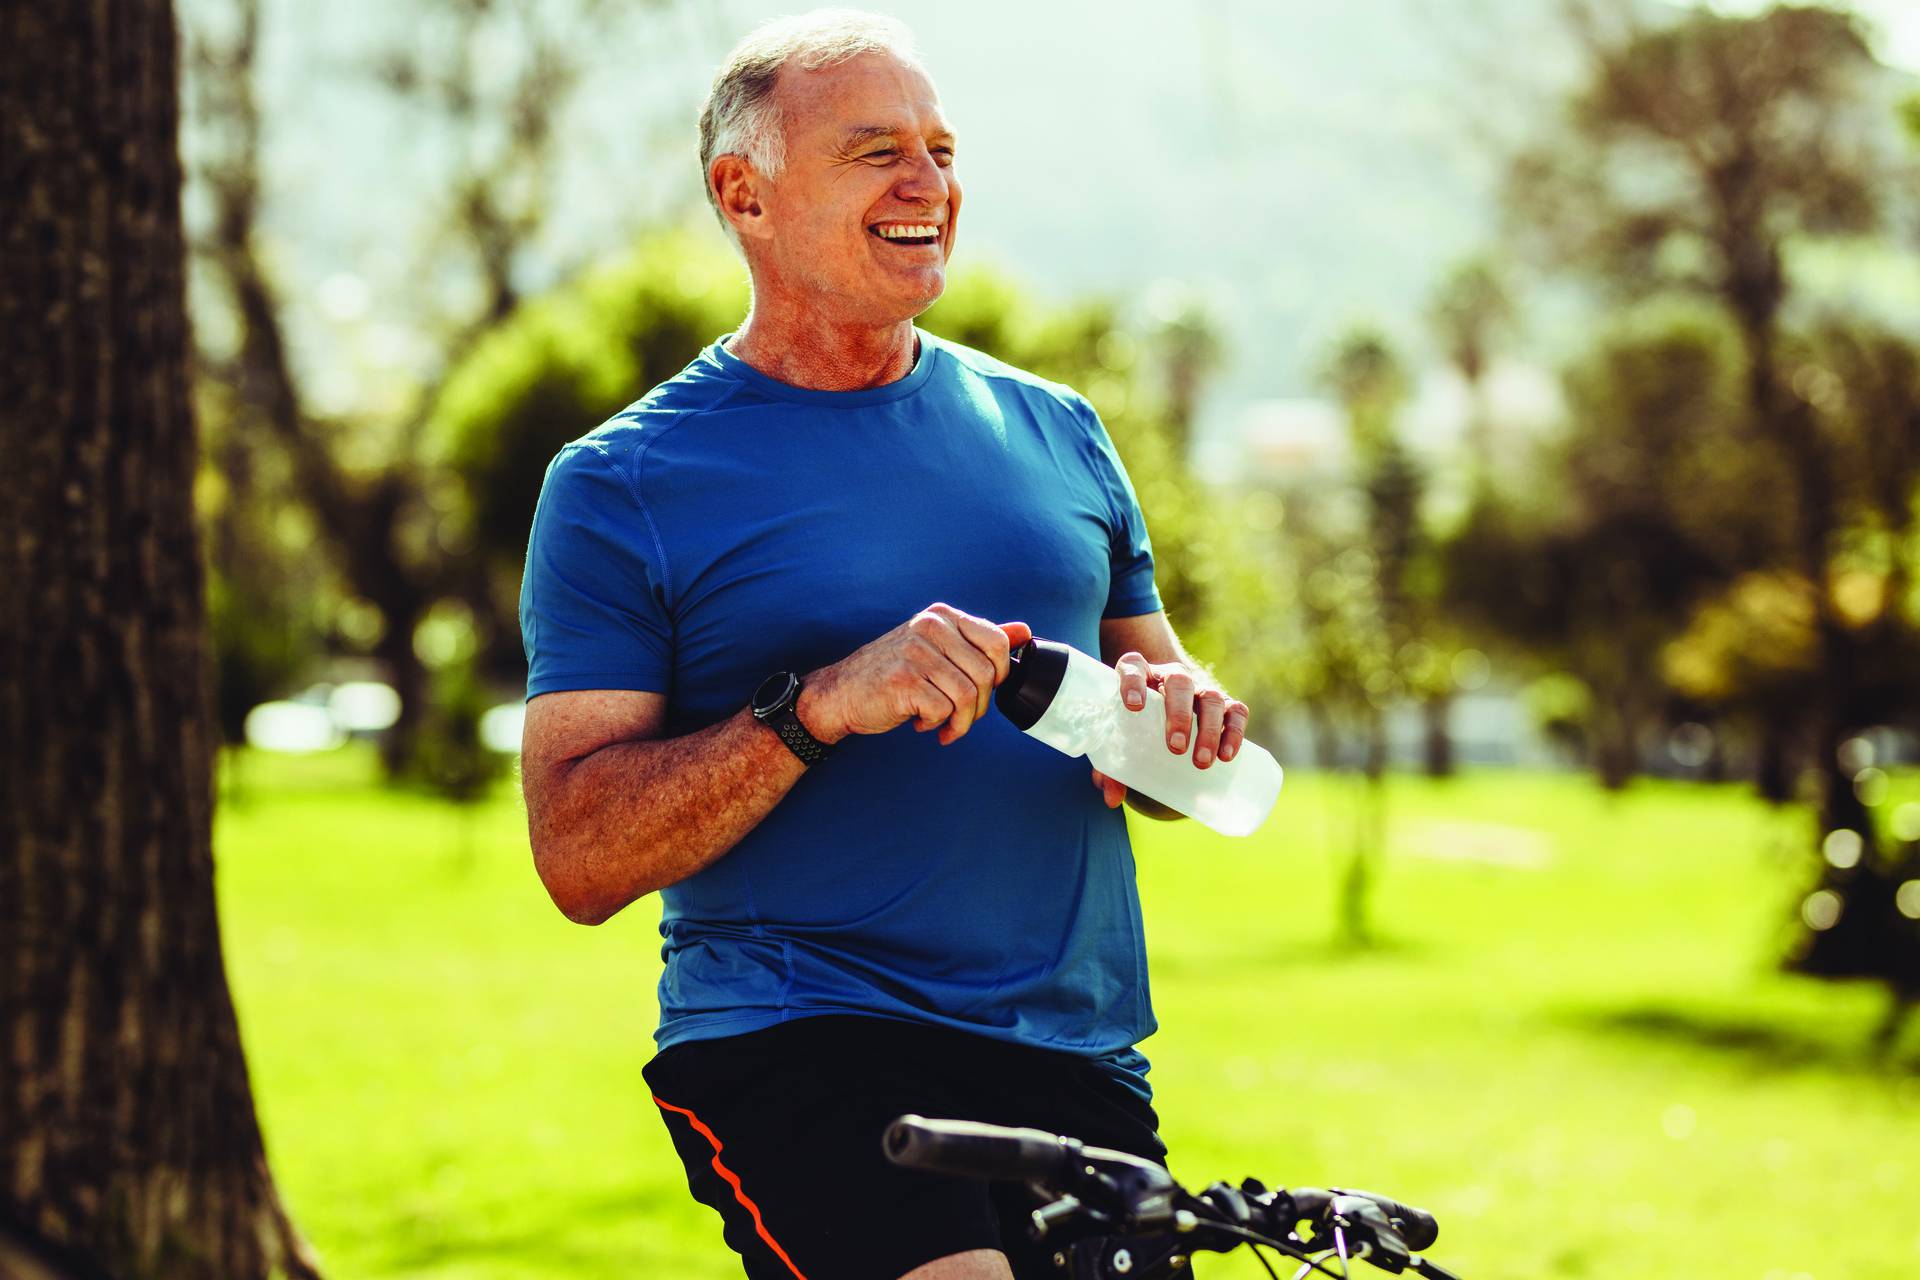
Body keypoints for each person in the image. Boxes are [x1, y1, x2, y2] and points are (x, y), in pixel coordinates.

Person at [517, 10, 1252, 1278]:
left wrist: (1176, 734)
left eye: (943, 147)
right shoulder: (622, 481)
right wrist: (822, 704)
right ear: (744, 192)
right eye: (876, 151)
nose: (931, 183)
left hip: (1077, 1053)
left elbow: (1166, 733)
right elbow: (579, 855)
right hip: (806, 1036)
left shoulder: (1060, 431)